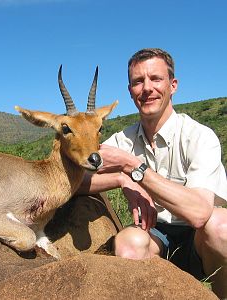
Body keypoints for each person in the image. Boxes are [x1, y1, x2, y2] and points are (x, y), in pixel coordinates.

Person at [78, 48, 227, 299]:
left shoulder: (199, 136)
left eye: (156, 79)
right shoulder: (122, 139)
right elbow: (73, 179)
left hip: (202, 241)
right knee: (127, 244)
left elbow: (200, 213)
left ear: (173, 85)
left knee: (220, 227)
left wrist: (132, 167)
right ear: (130, 91)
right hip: (155, 235)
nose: (147, 88)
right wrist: (120, 179)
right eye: (138, 81)